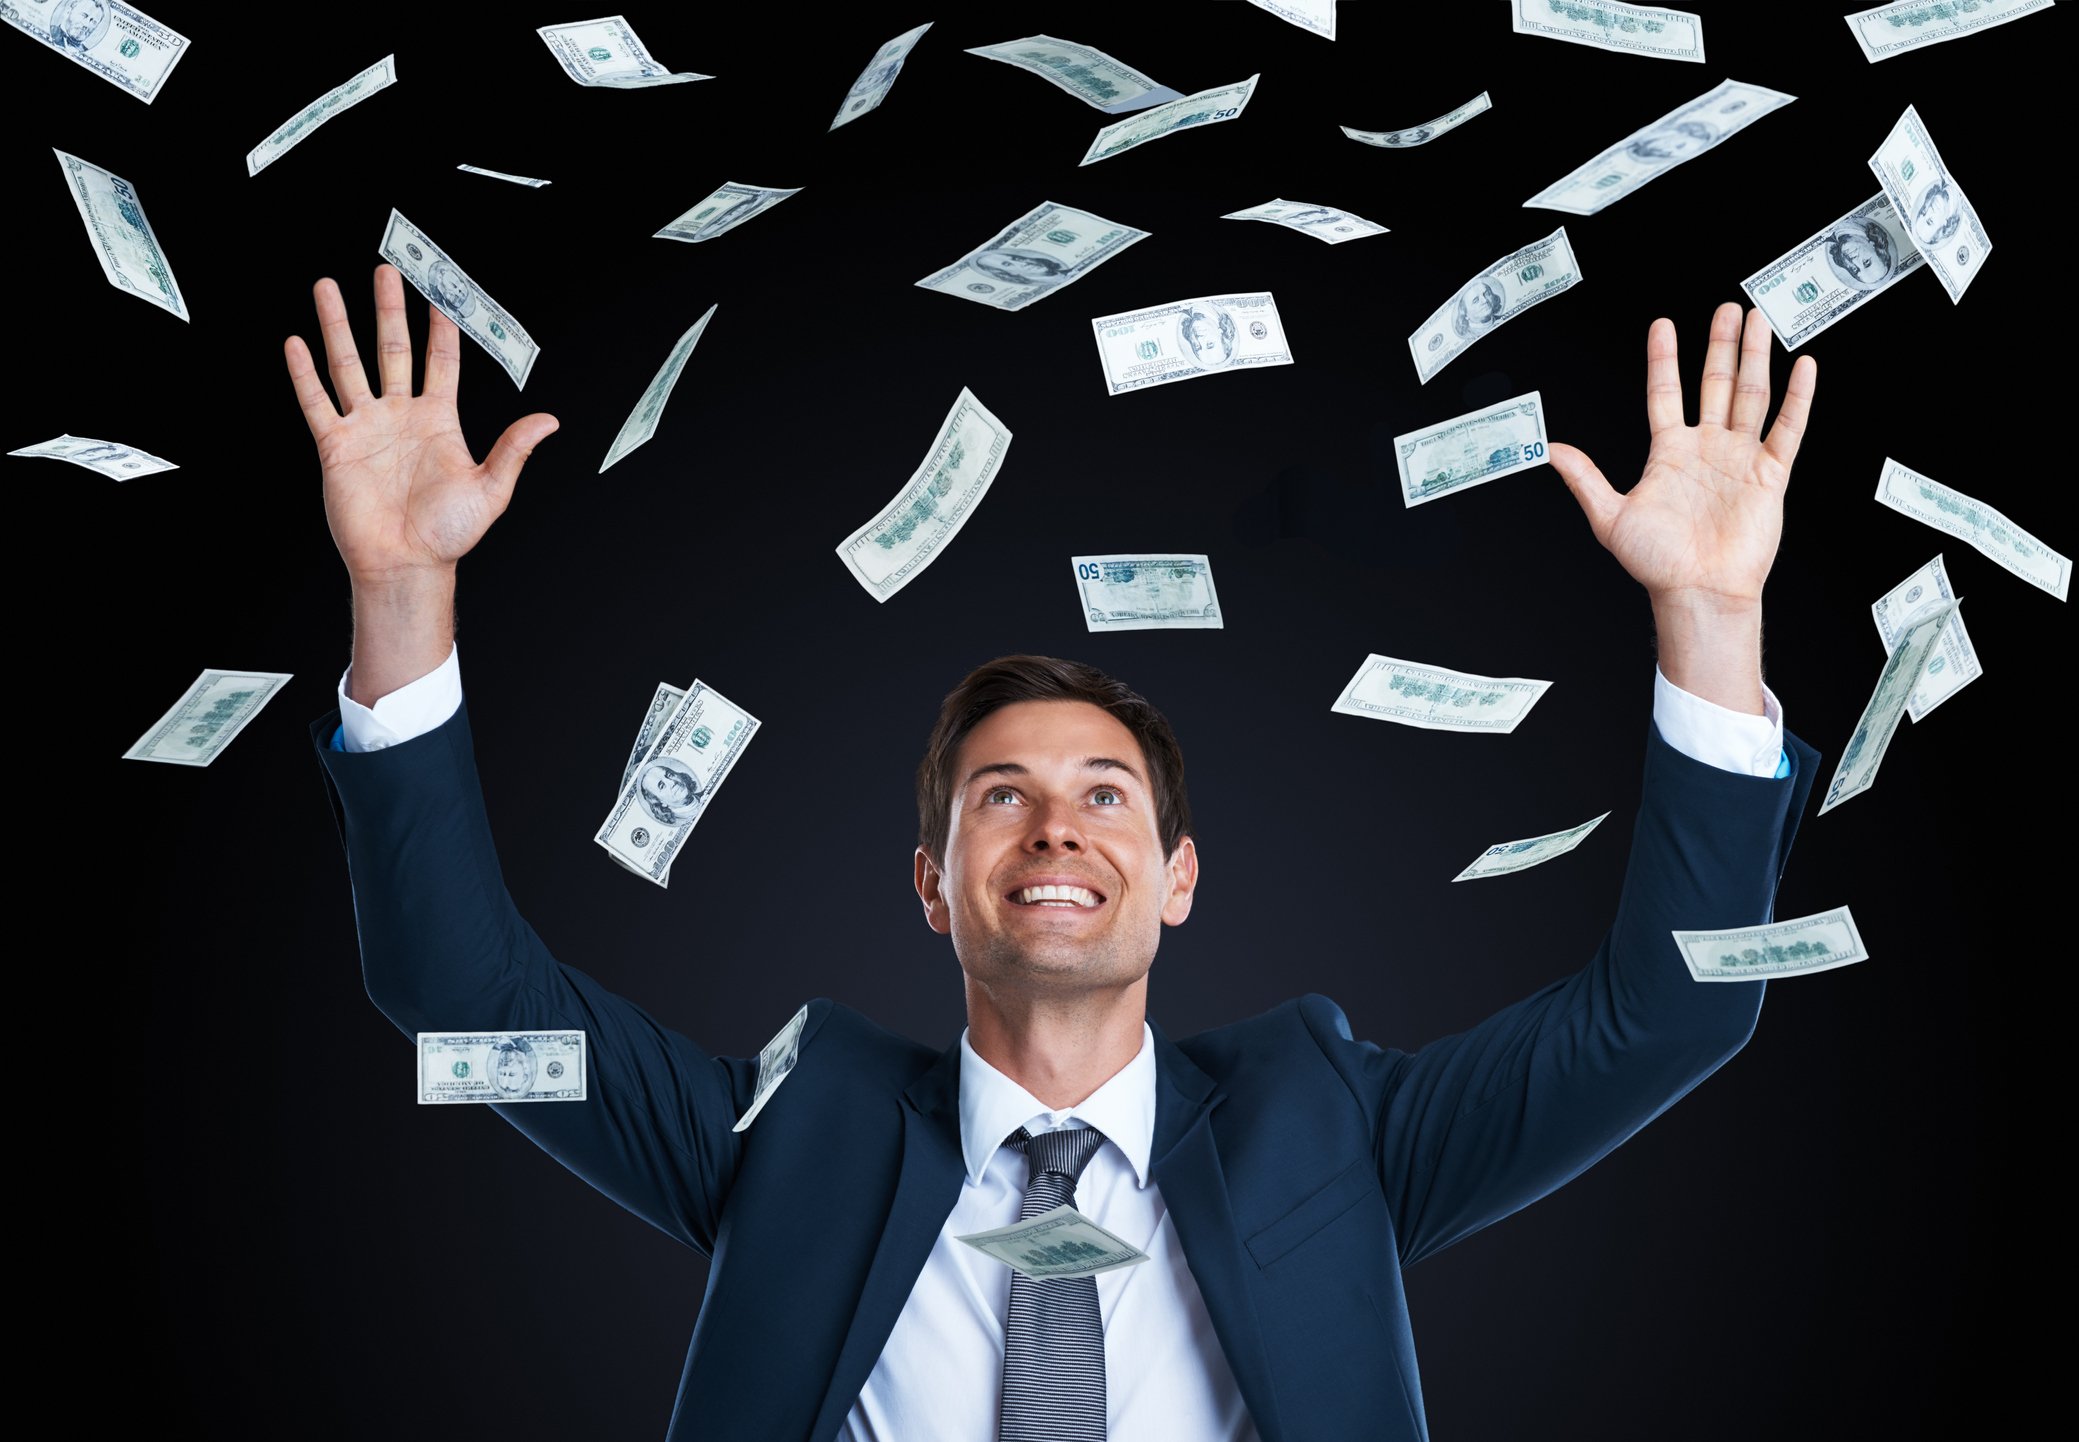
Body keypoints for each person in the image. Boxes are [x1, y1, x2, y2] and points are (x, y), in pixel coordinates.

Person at [286, 266, 1819, 1442]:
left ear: (1178, 877)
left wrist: (1712, 618)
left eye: (1103, 796)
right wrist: (404, 592)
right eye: (1000, 796)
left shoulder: (1331, 1120)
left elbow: (1676, 1013)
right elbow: (460, 1004)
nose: (1056, 826)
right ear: (932, 880)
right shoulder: (788, 1126)